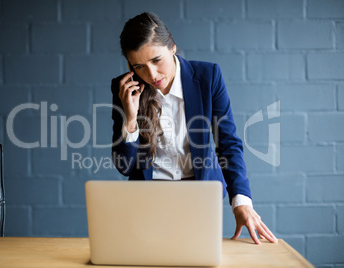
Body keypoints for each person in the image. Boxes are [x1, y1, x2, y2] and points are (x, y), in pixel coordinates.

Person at [111, 12, 277, 245]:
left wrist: (241, 201)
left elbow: (228, 144)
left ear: (172, 48)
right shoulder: (126, 90)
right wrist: (129, 117)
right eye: (139, 66)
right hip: (148, 199)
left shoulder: (208, 77)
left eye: (156, 60)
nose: (151, 75)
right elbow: (125, 167)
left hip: (200, 196)